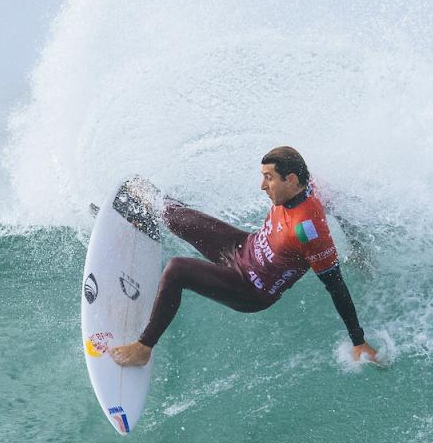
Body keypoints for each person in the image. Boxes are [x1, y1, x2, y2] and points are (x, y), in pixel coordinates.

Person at [109, 146, 380, 367]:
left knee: (177, 269)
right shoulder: (311, 186)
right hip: (244, 246)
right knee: (173, 213)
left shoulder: (308, 231)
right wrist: (358, 247)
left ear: (292, 180)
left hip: (251, 287)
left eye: (269, 178)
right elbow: (341, 206)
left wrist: (358, 340)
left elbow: (336, 286)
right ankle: (141, 219)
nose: (262, 185)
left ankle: (143, 348)